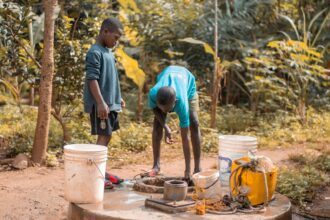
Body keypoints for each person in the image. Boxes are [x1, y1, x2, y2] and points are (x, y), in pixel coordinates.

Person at [147, 65, 201, 180]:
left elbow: (185, 137)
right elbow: (154, 108)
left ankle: (197, 168)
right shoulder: (153, 93)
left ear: (175, 102)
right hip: (166, 78)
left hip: (188, 84)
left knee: (194, 123)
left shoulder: (182, 102)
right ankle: (156, 166)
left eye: (167, 110)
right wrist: (166, 127)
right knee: (157, 125)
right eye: (161, 108)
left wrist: (187, 170)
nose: (164, 112)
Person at [83, 17, 125, 147]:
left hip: (110, 103)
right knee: (104, 135)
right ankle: (96, 167)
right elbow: (92, 79)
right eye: (115, 38)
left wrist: (118, 97)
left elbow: (110, 78)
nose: (116, 42)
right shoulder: (95, 52)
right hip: (101, 105)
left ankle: (98, 167)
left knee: (107, 135)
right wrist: (100, 102)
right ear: (105, 31)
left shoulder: (108, 52)